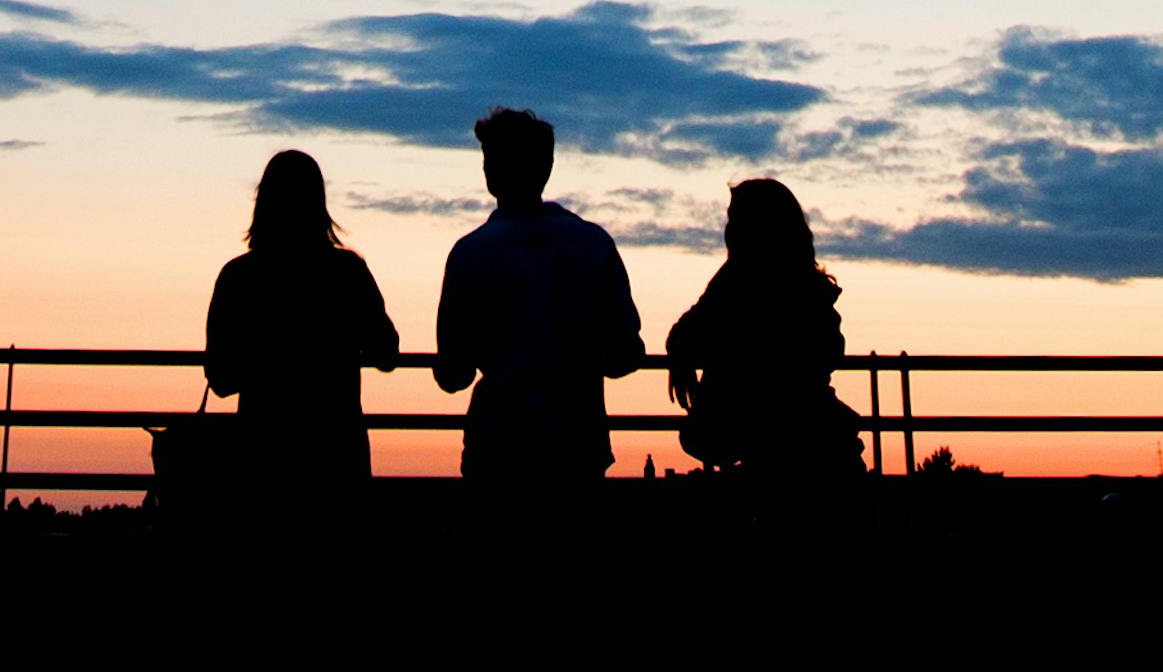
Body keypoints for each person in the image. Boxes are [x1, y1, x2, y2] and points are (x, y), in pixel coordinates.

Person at [435, 107, 645, 485]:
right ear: (546, 167)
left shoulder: (472, 253)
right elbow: (624, 354)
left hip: (498, 447)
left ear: (491, 171)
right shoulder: (594, 244)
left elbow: (453, 373)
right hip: (577, 446)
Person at [204, 149, 400, 503]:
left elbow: (220, 379)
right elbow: (387, 354)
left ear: (263, 203)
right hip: (336, 453)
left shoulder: (238, 277)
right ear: (318, 204)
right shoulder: (347, 273)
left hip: (263, 455)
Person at [666, 178, 864, 477]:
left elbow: (688, 334)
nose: (728, 229)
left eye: (734, 218)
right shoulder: (809, 285)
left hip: (765, 442)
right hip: (819, 436)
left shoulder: (737, 280)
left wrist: (685, 361)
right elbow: (830, 352)